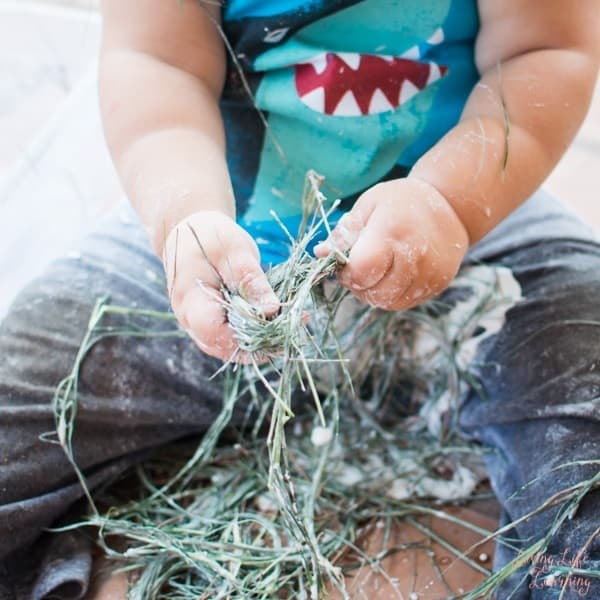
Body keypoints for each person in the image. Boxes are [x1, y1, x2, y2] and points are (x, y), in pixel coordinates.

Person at [1, 1, 599, 598]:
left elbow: (545, 51)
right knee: (22, 396)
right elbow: (158, 61)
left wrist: (451, 203)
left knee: (586, 393)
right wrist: (183, 217)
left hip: (471, 226)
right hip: (218, 234)